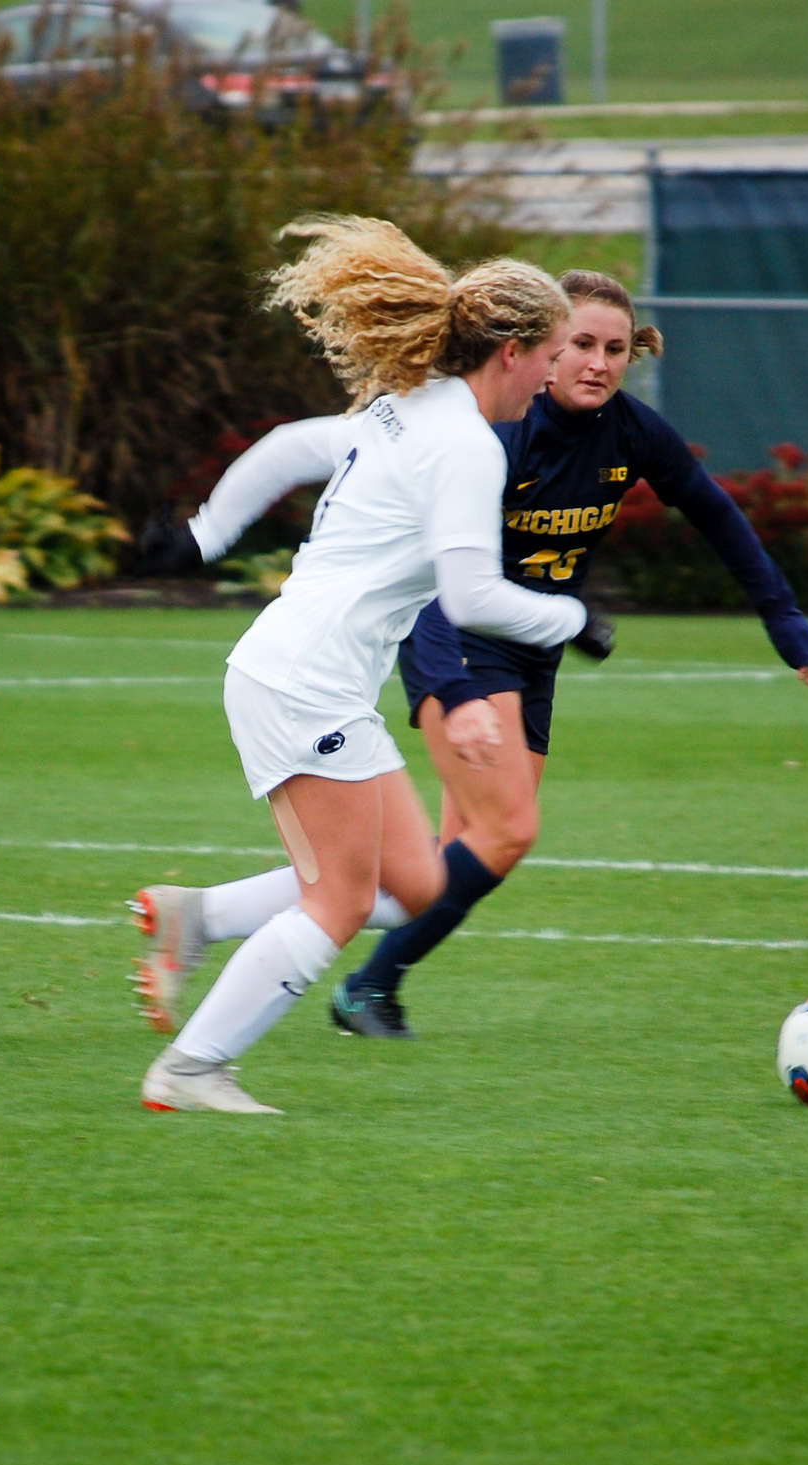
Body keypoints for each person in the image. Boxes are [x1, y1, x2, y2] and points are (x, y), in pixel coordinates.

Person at [130, 270, 808, 1040]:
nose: (596, 362)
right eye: (576, 345)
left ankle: (204, 918)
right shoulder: (481, 437)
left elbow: (712, 508)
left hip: (520, 651)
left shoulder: (617, 430)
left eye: (616, 349)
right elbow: (450, 589)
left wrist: (783, 614)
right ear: (528, 352)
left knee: (430, 869)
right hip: (447, 644)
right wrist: (471, 682)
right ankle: (316, 1009)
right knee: (492, 837)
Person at [139, 215, 593, 1115]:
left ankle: (197, 919)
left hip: (311, 675)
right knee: (341, 900)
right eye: (548, 355)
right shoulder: (464, 441)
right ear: (510, 351)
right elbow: (470, 597)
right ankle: (190, 1070)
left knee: (417, 883)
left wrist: (205, 533)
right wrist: (568, 615)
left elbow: (285, 449)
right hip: (303, 681)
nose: (551, 377)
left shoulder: (409, 408)